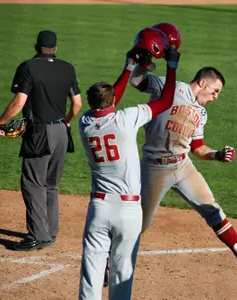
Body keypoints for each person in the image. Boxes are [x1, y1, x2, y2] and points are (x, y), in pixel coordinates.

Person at [127, 23, 237, 276]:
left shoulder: (201, 114)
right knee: (139, 224)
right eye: (215, 91)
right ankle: (108, 264)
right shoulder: (169, 87)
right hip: (154, 168)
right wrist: (144, 62)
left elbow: (198, 149)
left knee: (212, 208)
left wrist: (217, 155)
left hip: (182, 166)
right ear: (202, 83)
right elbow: (136, 82)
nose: (216, 97)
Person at [78, 29, 180, 300]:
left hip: (98, 208)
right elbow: (166, 101)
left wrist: (128, 68)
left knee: (91, 270)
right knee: (123, 274)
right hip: (128, 210)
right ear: (112, 102)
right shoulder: (126, 119)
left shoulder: (85, 123)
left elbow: (109, 102)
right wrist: (171, 66)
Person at [0, 30, 82, 251]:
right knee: (50, 184)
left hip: (39, 133)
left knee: (32, 183)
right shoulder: (68, 67)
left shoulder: (28, 67)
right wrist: (67, 122)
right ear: (55, 48)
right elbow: (77, 104)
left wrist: (1, 121)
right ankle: (50, 231)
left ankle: (37, 235)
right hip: (62, 132)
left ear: (36, 47)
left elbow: (19, 102)